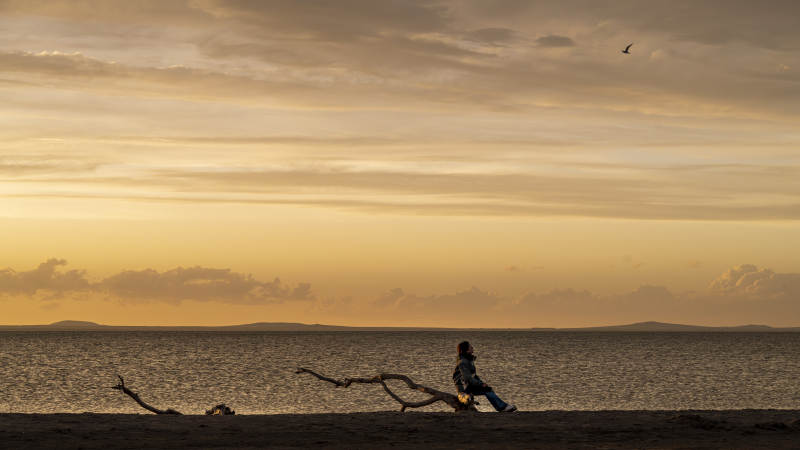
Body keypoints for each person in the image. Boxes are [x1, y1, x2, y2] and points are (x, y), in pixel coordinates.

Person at [452, 340, 517, 412]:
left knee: (488, 389)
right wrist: (480, 384)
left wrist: (481, 383)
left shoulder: (468, 360)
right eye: (470, 347)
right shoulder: (463, 362)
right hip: (464, 388)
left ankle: (502, 407)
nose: (472, 347)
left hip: (468, 385)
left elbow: (474, 376)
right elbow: (467, 378)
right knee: (486, 390)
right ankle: (502, 407)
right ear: (466, 350)